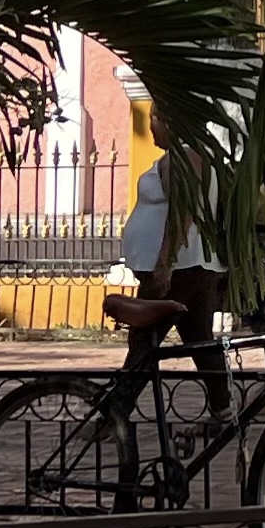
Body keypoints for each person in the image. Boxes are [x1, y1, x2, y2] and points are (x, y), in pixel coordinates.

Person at [105, 150, 236, 426]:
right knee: (199, 338)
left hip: (179, 269)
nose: (152, 125)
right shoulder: (190, 155)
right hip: (195, 266)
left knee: (144, 341)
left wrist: (165, 261)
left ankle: (113, 415)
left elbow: (182, 211)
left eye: (156, 118)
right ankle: (223, 409)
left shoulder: (185, 156)